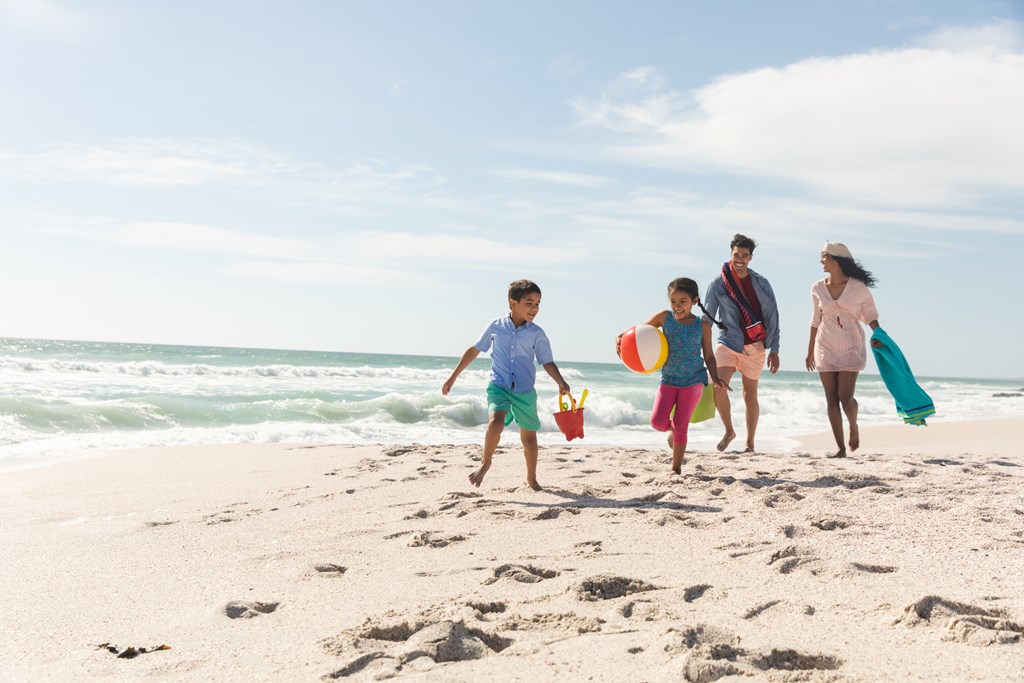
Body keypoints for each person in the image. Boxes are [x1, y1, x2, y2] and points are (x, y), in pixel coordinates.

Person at [442, 279, 571, 490]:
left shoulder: (537, 333)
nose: (535, 308)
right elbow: (475, 349)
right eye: (529, 303)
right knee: (495, 424)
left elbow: (546, 361)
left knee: (529, 440)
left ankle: (531, 478)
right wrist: (453, 377)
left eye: (538, 303)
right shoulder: (496, 326)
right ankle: (485, 462)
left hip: (524, 390)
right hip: (498, 385)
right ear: (513, 303)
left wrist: (561, 381)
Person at [617, 278, 729, 474]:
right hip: (668, 378)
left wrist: (716, 378)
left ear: (695, 300)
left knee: (681, 425)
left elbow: (709, 356)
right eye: (673, 301)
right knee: (657, 422)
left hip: (693, 380)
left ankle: (676, 469)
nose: (677, 307)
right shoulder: (664, 318)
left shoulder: (702, 325)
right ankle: (673, 431)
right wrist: (620, 338)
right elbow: (639, 333)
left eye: (682, 302)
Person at [702, 234, 781, 453]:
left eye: (744, 256)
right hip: (728, 342)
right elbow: (707, 320)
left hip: (755, 346)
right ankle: (729, 430)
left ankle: (750, 443)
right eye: (736, 254)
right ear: (731, 254)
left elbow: (773, 316)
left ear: (751, 258)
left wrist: (775, 349)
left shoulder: (761, 283)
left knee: (750, 394)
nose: (740, 259)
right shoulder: (718, 284)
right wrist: (705, 349)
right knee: (718, 387)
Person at [805, 241, 882, 458]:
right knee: (831, 398)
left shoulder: (857, 287)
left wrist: (878, 334)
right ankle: (840, 448)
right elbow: (815, 319)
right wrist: (810, 351)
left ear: (836, 259)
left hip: (851, 346)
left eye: (824, 256)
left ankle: (854, 426)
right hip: (825, 346)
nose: (821, 261)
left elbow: (871, 314)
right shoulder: (817, 288)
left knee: (845, 397)